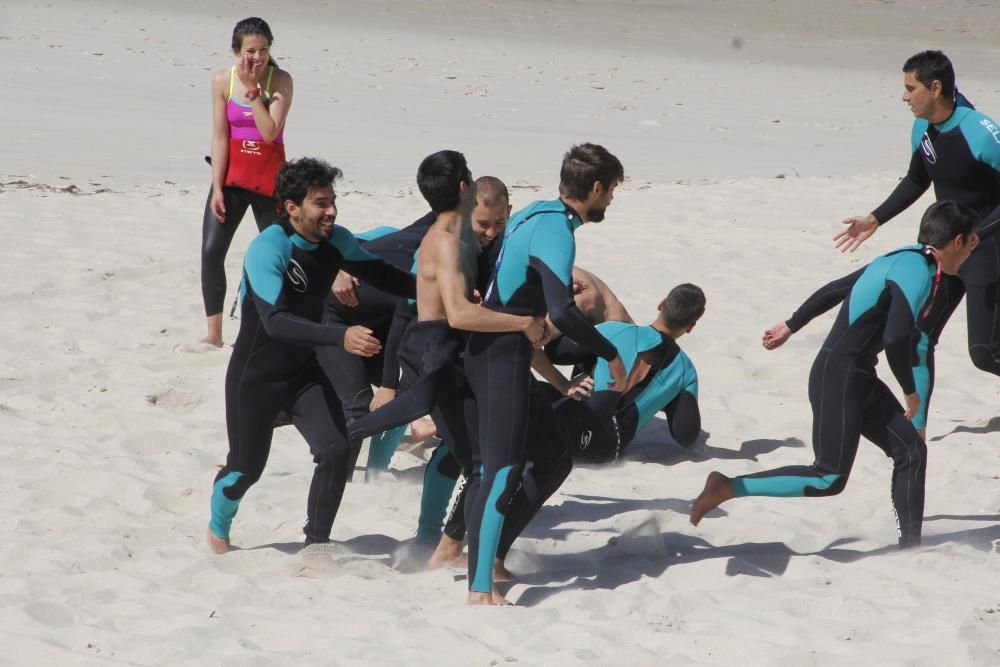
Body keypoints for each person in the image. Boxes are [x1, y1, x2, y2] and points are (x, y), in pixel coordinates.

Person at [692, 200, 979, 549]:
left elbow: (834, 288)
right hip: (839, 377)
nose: (974, 248)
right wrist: (910, 391)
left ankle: (911, 546)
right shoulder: (918, 272)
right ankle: (727, 486)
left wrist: (791, 324)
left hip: (857, 375)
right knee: (828, 477)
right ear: (959, 241)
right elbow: (896, 339)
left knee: (912, 451)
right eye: (972, 241)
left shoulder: (898, 258)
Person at [206, 158, 415, 554]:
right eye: (321, 203)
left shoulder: (336, 241)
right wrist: (341, 336)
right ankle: (218, 528)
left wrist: (440, 292)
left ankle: (317, 544)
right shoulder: (269, 247)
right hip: (256, 378)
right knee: (245, 469)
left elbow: (386, 276)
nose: (332, 210)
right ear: (291, 207)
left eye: (333, 201)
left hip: (303, 372)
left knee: (335, 450)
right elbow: (276, 323)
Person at [428, 284, 704, 574]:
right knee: (534, 439)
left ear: (661, 303)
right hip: (608, 442)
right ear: (691, 326)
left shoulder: (616, 331)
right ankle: (484, 554)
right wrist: (669, 396)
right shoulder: (685, 370)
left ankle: (455, 544)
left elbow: (558, 352)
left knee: (521, 432)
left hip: (581, 415)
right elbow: (685, 432)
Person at [463, 143, 630, 605]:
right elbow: (563, 311)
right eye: (611, 190)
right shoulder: (558, 230)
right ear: (595, 188)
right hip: (500, 357)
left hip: (503, 351)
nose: (611, 199)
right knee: (502, 469)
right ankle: (480, 586)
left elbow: (527, 284)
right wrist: (608, 352)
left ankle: (491, 557)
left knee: (553, 456)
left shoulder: (539, 211)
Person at [833, 50, 1000, 413]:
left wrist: (978, 236)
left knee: (985, 354)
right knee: (919, 338)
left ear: (935, 87)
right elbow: (916, 179)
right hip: (947, 250)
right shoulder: (921, 130)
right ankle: (918, 425)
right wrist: (875, 218)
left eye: (910, 88)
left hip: (987, 249)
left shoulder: (981, 133)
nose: (904, 97)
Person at [201, 17, 294, 347]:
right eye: (250, 51)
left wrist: (255, 94)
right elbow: (220, 137)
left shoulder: (280, 80)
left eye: (264, 50)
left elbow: (270, 132)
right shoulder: (222, 81)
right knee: (212, 251)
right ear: (236, 51)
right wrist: (216, 186)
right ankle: (213, 335)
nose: (257, 58)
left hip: (269, 180)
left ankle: (278, 327)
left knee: (277, 253)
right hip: (232, 178)